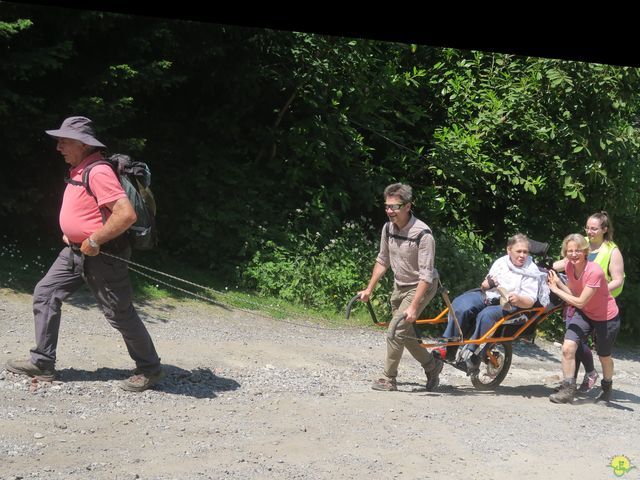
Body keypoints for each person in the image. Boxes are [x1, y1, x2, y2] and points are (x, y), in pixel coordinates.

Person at [5, 116, 165, 392]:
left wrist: (93, 238)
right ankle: (42, 362)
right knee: (45, 293)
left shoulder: (98, 171)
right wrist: (74, 234)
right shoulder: (81, 168)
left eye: (64, 142)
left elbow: (125, 215)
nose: (59, 147)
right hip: (75, 250)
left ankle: (150, 369)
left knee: (119, 312)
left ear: (81, 144)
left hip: (103, 254)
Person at [358, 183, 443, 392]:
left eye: (394, 207)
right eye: (387, 206)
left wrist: (414, 306)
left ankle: (388, 378)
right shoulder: (388, 228)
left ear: (407, 206)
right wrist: (369, 289)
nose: (389, 211)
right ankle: (432, 366)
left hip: (421, 286)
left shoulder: (423, 235)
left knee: (395, 331)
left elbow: (425, 275)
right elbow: (382, 260)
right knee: (403, 333)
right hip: (400, 285)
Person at [442, 234, 544, 372]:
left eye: (525, 252)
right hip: (489, 296)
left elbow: (530, 301)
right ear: (509, 250)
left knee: (486, 315)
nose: (522, 255)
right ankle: (450, 348)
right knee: (461, 304)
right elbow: (484, 286)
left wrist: (518, 299)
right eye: (518, 251)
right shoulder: (501, 262)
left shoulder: (531, 271)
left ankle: (473, 355)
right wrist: (486, 284)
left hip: (511, 305)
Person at [552, 211, 625, 393]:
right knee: (571, 345)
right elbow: (565, 261)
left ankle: (605, 385)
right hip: (581, 305)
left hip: (602, 307)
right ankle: (569, 386)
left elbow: (618, 280)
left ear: (604, 229)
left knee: (603, 355)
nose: (590, 232)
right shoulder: (580, 245)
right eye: (587, 228)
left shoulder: (611, 250)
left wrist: (596, 291)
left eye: (594, 228)